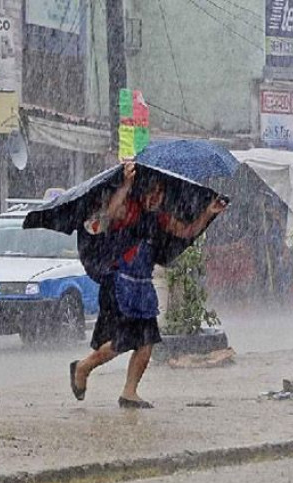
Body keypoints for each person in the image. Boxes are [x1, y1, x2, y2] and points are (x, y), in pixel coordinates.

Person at [70, 161, 227, 408]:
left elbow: (186, 232)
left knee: (146, 340)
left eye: (160, 193)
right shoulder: (127, 209)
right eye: (152, 191)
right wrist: (126, 185)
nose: (156, 197)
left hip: (141, 287)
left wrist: (209, 212)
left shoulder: (160, 219)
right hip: (118, 285)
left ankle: (129, 393)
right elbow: (109, 215)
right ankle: (83, 367)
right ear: (142, 190)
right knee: (122, 341)